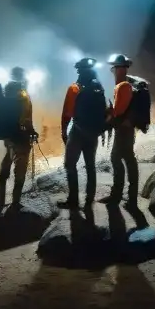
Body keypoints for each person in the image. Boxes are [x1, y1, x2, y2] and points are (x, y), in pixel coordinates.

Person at [60, 57, 107, 212]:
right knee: (90, 166)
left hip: (78, 131)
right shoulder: (99, 87)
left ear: (79, 70)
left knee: (70, 164)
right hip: (93, 132)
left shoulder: (75, 88)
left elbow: (67, 113)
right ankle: (89, 200)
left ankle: (73, 200)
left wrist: (64, 130)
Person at [0, 67, 38, 211]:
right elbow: (26, 119)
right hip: (21, 138)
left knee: (4, 170)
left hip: (8, 139)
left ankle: (0, 205)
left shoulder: (4, 94)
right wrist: (32, 132)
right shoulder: (23, 96)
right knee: (20, 172)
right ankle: (15, 204)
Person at [102, 54, 140, 207]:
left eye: (114, 68)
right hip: (127, 128)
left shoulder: (123, 86)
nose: (113, 71)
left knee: (117, 158)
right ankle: (130, 196)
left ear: (120, 69)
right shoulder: (126, 85)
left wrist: (108, 114)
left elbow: (118, 111)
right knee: (128, 159)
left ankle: (118, 195)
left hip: (123, 129)